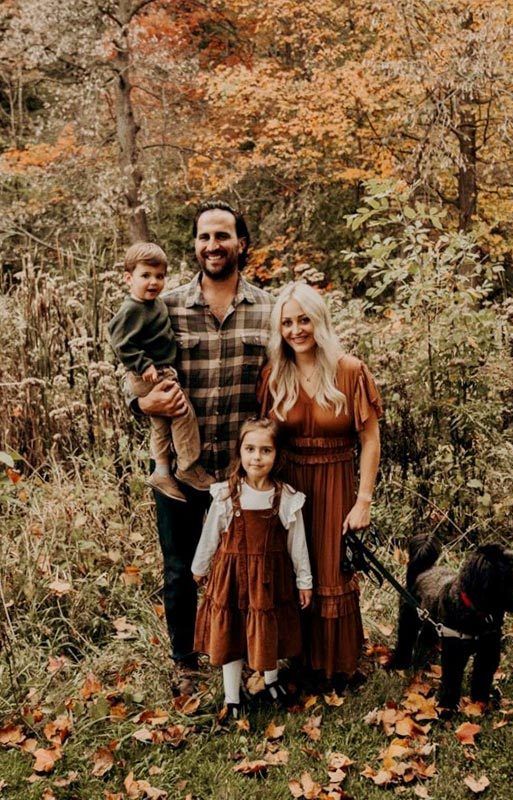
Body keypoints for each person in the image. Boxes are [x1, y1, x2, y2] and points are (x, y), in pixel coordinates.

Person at [125, 201, 273, 694]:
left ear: (241, 243)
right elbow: (129, 374)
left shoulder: (269, 310)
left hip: (242, 471)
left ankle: (253, 657)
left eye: (223, 236)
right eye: (205, 236)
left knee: (250, 566)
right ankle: (185, 663)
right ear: (195, 245)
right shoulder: (164, 307)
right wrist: (144, 402)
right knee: (179, 568)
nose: (213, 245)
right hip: (179, 470)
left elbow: (286, 380)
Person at [258, 281, 382, 690]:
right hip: (289, 487)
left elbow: (369, 439)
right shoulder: (275, 375)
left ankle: (337, 666)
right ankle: (297, 664)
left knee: (331, 570)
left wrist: (363, 500)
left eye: (304, 319)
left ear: (320, 321)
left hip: (334, 483)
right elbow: (263, 439)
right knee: (293, 570)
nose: (296, 330)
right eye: (287, 322)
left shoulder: (349, 370)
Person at [191, 418, 312, 720]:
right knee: (231, 634)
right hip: (231, 577)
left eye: (265, 450)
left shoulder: (285, 497)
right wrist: (199, 567)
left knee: (267, 630)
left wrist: (304, 580)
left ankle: (271, 681)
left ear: (277, 455)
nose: (256, 457)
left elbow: (298, 543)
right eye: (250, 449)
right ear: (240, 452)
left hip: (270, 580)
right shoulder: (227, 494)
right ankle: (232, 697)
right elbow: (211, 535)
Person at [109, 242, 214, 502]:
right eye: (145, 276)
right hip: (150, 374)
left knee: (162, 423)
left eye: (159, 276)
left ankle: (162, 470)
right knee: (182, 413)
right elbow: (120, 342)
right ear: (128, 278)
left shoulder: (156, 304)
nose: (153, 282)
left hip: (160, 370)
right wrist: (144, 364)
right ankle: (188, 467)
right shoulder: (132, 308)